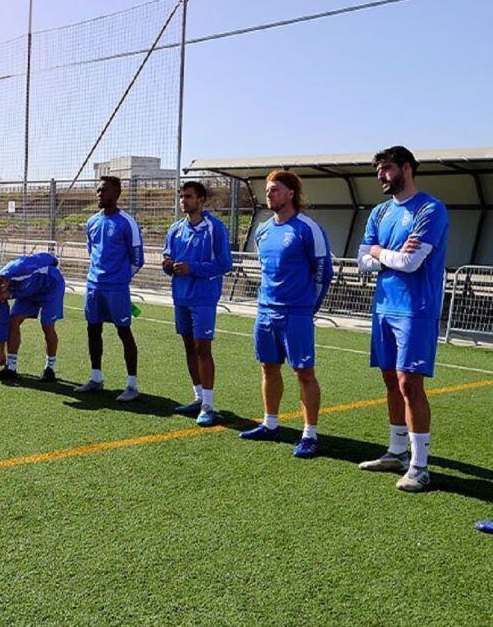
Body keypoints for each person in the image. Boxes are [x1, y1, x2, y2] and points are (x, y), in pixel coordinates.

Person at [355, 146, 449, 492]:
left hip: (415, 309)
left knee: (410, 384)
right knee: (390, 381)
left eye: (387, 168)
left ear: (406, 168)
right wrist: (382, 254)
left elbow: (412, 264)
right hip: (383, 307)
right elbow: (362, 260)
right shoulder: (379, 213)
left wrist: (379, 252)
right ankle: (395, 452)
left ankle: (420, 466)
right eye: (379, 170)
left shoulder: (430, 209)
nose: (381, 175)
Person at [240, 170, 333, 459]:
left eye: (275, 190)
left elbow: (323, 272)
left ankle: (310, 434)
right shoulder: (263, 230)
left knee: (304, 373)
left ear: (291, 193)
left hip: (297, 314)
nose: (270, 194)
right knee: (268, 368)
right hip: (266, 311)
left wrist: (308, 307)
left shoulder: (307, 228)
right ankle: (270, 424)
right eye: (268, 190)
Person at [163, 181, 233, 426]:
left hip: (203, 298)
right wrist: (168, 264)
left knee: (203, 350)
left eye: (189, 197)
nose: (184, 201)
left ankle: (208, 405)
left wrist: (193, 268)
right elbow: (167, 255)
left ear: (201, 200)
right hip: (180, 296)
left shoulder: (215, 228)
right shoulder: (175, 228)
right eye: (182, 196)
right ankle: (197, 397)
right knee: (188, 348)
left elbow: (225, 264)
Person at [76, 176, 144, 401]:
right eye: (97, 190)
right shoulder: (92, 222)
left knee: (124, 332)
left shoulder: (127, 222)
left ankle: (132, 385)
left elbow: (137, 259)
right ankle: (96, 378)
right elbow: (92, 252)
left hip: (116, 289)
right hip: (94, 286)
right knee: (93, 329)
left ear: (116, 194)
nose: (99, 194)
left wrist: (121, 278)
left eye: (103, 190)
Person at [0, 252, 65, 383]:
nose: (2, 301)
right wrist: (0, 350)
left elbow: (42, 259)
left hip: (50, 285)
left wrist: (54, 261)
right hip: (28, 292)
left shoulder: (21, 269)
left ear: (3, 287)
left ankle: (50, 369)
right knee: (12, 320)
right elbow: (2, 320)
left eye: (2, 298)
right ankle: (11, 368)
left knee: (47, 324)